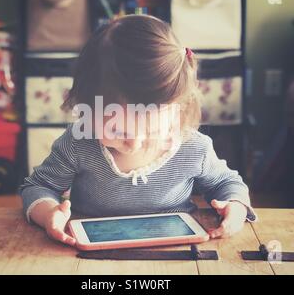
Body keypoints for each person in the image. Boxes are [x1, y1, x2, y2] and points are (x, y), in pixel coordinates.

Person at [19, 15, 256, 246]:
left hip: (177, 250)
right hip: (93, 253)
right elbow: (38, 186)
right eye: (118, 132)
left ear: (178, 109)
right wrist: (49, 213)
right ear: (87, 109)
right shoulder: (78, 144)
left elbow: (227, 182)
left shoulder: (194, 147)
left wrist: (234, 207)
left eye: (152, 131)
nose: (133, 144)